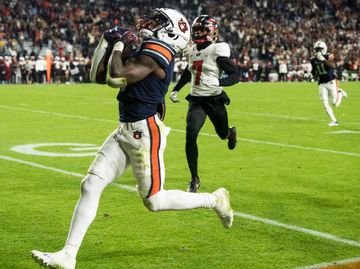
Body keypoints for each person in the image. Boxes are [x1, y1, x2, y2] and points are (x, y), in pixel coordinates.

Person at [31, 8, 233, 269]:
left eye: (159, 21)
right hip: (126, 129)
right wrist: (108, 41)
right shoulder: (149, 47)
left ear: (170, 30)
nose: (150, 23)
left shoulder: (161, 51)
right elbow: (98, 76)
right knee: (90, 185)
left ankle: (215, 199)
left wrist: (118, 45)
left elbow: (117, 76)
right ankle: (68, 256)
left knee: (154, 200)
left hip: (144, 133)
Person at [169, 15, 239, 193]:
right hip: (196, 101)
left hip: (214, 100)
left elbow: (234, 75)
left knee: (222, 134)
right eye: (196, 30)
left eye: (202, 30)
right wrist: (176, 89)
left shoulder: (217, 49)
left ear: (211, 32)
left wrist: (220, 83)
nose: (198, 33)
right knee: (190, 136)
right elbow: (188, 71)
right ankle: (194, 178)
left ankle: (231, 133)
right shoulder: (191, 50)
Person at [311, 40, 348, 127]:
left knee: (335, 104)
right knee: (325, 103)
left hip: (331, 81)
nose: (317, 51)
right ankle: (334, 121)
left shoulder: (329, 56)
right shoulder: (313, 59)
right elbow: (314, 71)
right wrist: (310, 74)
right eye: (316, 49)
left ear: (324, 49)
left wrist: (324, 60)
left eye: (319, 49)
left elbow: (334, 66)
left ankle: (340, 93)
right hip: (322, 83)